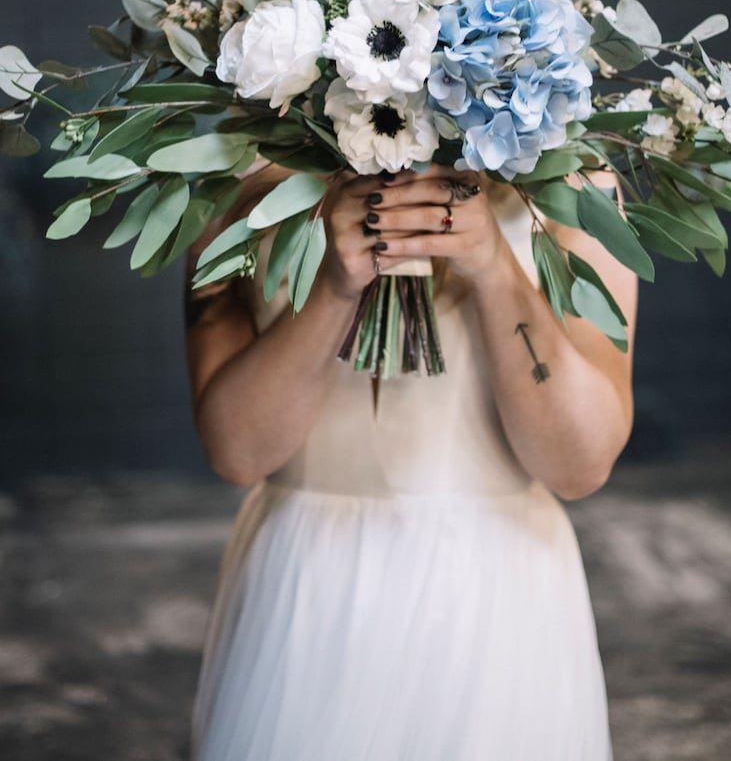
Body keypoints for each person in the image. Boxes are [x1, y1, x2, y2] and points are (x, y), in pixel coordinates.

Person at [186, 157, 637, 760]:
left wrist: (494, 265)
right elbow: (236, 452)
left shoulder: (574, 173)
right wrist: (333, 288)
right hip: (308, 593)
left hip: (500, 597)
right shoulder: (234, 167)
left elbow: (580, 465)